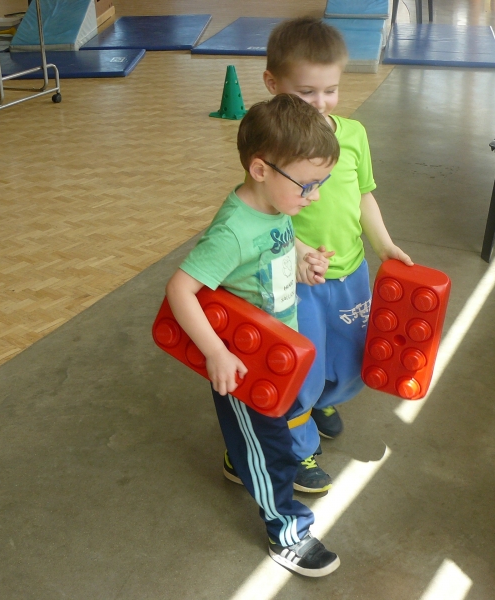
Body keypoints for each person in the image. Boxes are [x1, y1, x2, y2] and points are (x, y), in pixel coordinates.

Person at [165, 94, 341, 577]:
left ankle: (238, 457)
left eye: (321, 183)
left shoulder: (273, 204)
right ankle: (287, 531)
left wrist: (302, 260)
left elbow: (274, 243)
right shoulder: (232, 232)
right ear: (261, 169)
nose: (315, 196)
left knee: (267, 433)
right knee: (275, 450)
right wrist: (216, 353)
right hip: (246, 363)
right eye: (308, 185)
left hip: (275, 347)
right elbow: (180, 289)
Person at [260, 17, 413, 492]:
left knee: (350, 359)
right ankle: (297, 447)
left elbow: (364, 195)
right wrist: (297, 249)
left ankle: (322, 401)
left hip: (351, 273)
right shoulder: (271, 146)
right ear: (273, 85)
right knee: (299, 368)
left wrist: (383, 245)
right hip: (297, 281)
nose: (321, 103)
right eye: (306, 92)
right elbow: (260, 213)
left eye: (331, 90)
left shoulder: (354, 135)